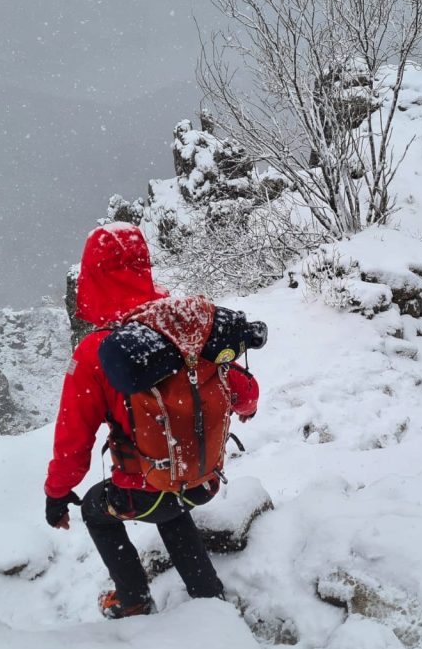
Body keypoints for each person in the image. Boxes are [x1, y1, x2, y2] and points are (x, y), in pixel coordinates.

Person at [44, 222, 260, 619]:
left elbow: (73, 443)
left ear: (91, 278)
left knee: (96, 508)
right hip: (203, 480)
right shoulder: (185, 328)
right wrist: (245, 410)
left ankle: (132, 600)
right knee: (171, 504)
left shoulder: (98, 353)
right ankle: (208, 594)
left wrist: (57, 495)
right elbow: (243, 391)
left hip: (148, 490)